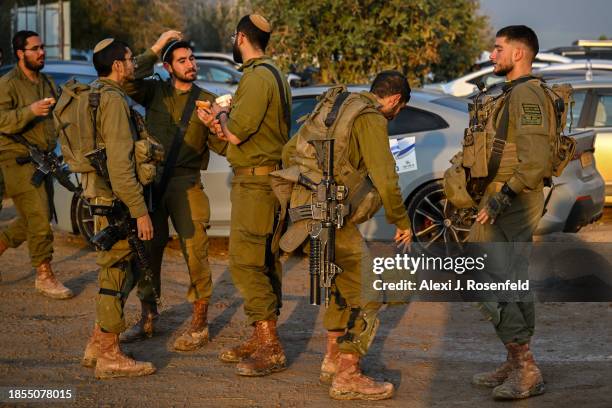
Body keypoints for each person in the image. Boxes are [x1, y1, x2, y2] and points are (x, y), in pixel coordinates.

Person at [280, 71, 413, 400]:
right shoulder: (370, 119)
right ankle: (348, 374)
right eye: (400, 108)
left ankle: (332, 359)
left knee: (339, 284)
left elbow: (288, 152)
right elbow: (385, 174)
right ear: (395, 100)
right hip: (332, 216)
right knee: (369, 292)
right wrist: (401, 220)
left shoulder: (337, 105)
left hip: (307, 211)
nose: (397, 114)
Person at [120, 31, 228, 352]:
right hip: (152, 183)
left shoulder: (206, 99)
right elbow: (127, 78)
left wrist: (213, 125)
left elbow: (223, 146)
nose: (190, 64)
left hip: (187, 183)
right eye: (182, 61)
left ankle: (199, 322)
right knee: (147, 252)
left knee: (195, 249)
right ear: (168, 67)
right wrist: (155, 46)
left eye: (192, 59)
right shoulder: (154, 91)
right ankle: (148, 316)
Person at [197, 14, 290, 377]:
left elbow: (235, 135)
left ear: (239, 38)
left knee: (245, 262)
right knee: (265, 259)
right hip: (268, 179)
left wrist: (217, 115)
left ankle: (270, 345)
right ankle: (260, 333)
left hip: (257, 184)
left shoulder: (256, 77)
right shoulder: (276, 74)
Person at [467, 26, 553, 400]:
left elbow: (534, 162)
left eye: (498, 49)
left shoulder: (528, 94)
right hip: (505, 197)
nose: (492, 54)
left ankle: (525, 367)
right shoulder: (514, 92)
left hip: (511, 201)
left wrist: (500, 198)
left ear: (519, 54)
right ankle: (517, 361)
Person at [80, 38, 156, 379]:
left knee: (119, 268)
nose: (132, 64)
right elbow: (121, 165)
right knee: (115, 273)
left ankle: (98, 343)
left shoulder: (93, 94)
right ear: (116, 66)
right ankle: (110, 354)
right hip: (116, 200)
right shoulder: (111, 101)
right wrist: (140, 210)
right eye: (129, 59)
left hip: (103, 195)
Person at [0, 30, 72, 299]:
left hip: (43, 159)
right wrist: (29, 112)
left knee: (32, 218)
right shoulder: (7, 84)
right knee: (40, 218)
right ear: (20, 53)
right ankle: (44, 275)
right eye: (35, 48)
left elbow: (61, 117)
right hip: (15, 158)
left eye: (42, 47)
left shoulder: (47, 82)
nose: (42, 52)